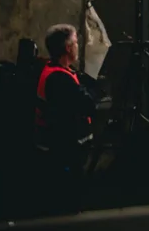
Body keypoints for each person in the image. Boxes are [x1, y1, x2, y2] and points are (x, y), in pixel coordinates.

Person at [35, 24, 96, 215]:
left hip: (56, 146)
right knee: (67, 202)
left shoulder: (54, 69)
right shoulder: (60, 80)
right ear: (68, 48)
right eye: (76, 42)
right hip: (62, 150)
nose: (78, 46)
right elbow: (88, 104)